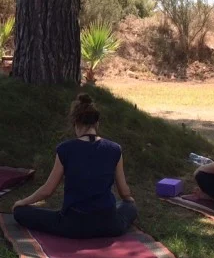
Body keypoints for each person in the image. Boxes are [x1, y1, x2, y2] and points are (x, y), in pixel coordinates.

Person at [11, 93, 137, 239]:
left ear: (75, 123)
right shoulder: (115, 149)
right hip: (108, 224)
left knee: (20, 212)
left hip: (73, 224)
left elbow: (47, 191)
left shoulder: (65, 149)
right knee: (129, 206)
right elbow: (124, 192)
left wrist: (22, 202)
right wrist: (129, 201)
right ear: (97, 123)